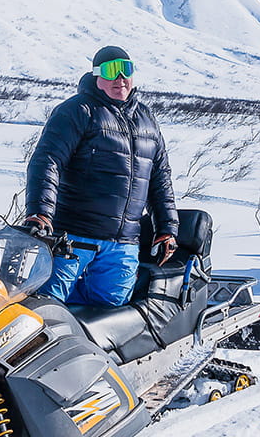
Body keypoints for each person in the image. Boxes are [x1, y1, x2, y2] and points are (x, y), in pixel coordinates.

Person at [24, 46, 177, 307]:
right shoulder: (77, 111)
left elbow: (159, 177)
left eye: (125, 70)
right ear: (96, 75)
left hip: (123, 243)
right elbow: (47, 160)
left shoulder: (147, 119)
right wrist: (40, 211)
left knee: (108, 312)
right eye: (111, 70)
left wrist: (166, 228)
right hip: (71, 238)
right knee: (47, 306)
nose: (120, 78)